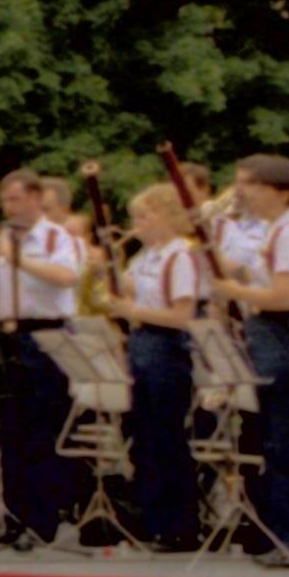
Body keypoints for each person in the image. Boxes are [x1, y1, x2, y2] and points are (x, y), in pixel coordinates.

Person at [209, 155, 289, 567]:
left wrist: (232, 290)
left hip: (287, 332)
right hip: (273, 331)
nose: (245, 193)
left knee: (288, 437)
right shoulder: (274, 232)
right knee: (278, 439)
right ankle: (287, 532)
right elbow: (249, 273)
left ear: (281, 191)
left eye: (254, 186)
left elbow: (284, 294)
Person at [0, 169, 85, 547]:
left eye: (16, 199)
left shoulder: (55, 236)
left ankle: (43, 519)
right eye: (5, 201)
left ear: (36, 198)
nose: (8, 207)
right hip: (5, 334)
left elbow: (67, 276)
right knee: (9, 430)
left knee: (42, 427)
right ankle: (14, 515)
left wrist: (17, 258)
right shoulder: (3, 240)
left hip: (45, 333)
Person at [113, 185, 206, 552]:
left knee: (167, 436)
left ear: (168, 216)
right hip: (141, 344)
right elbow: (131, 297)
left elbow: (181, 316)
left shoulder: (180, 256)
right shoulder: (144, 257)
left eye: (145, 216)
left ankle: (180, 525)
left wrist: (132, 311)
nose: (138, 225)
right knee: (144, 435)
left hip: (168, 347)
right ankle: (153, 519)